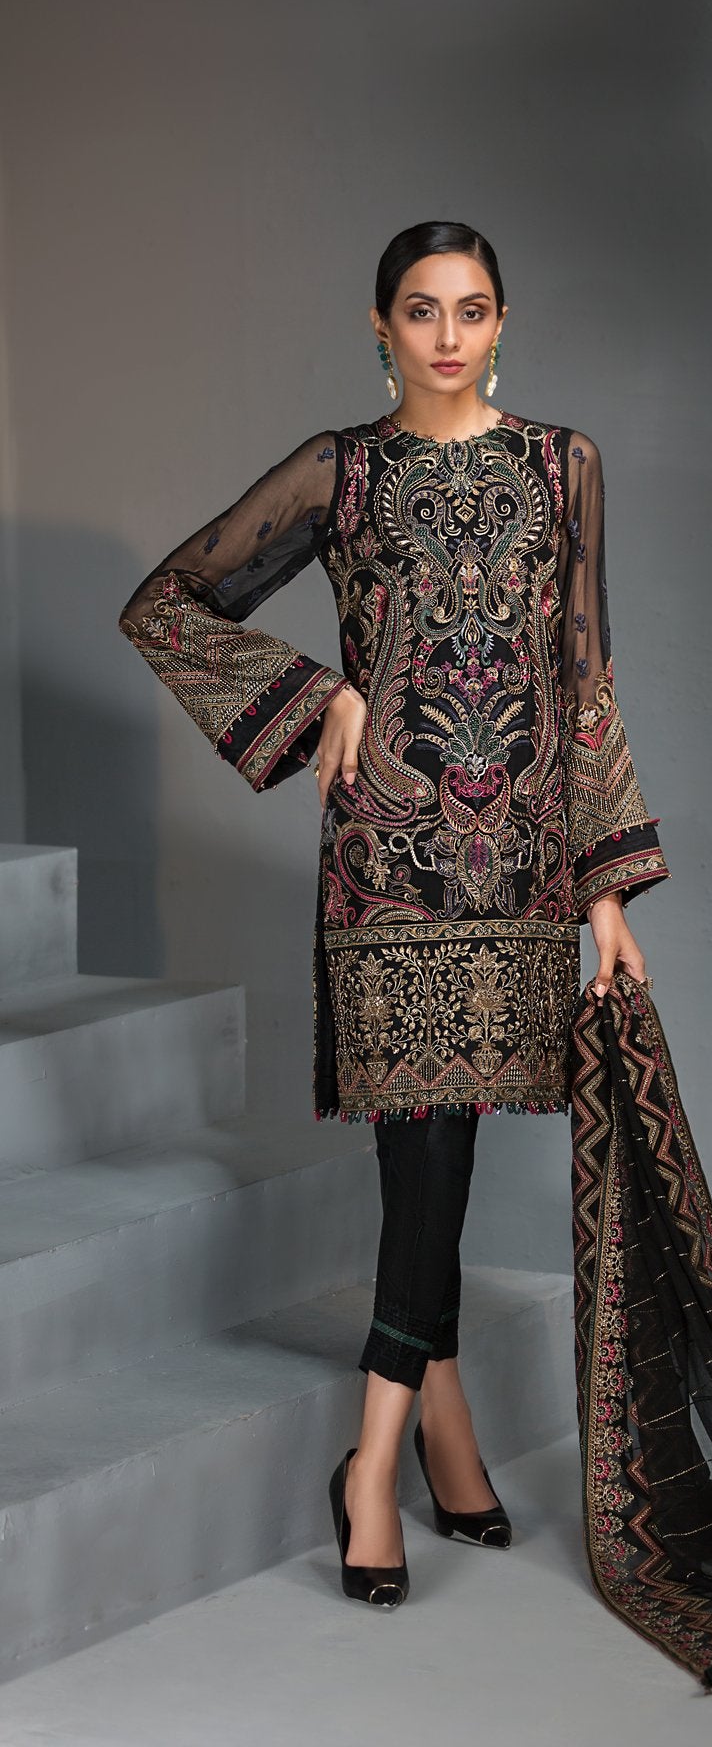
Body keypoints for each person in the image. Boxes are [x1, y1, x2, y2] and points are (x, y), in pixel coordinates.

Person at [117, 220, 670, 1607]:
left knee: (444, 1146)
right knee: (424, 1141)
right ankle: (376, 1464)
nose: (447, 335)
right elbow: (167, 605)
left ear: (503, 323)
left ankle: (442, 1422)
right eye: (421, 310)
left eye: (471, 310)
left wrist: (606, 889)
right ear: (381, 325)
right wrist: (320, 700)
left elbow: (586, 679)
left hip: (523, 860)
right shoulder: (342, 471)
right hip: (390, 857)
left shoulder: (564, 465)